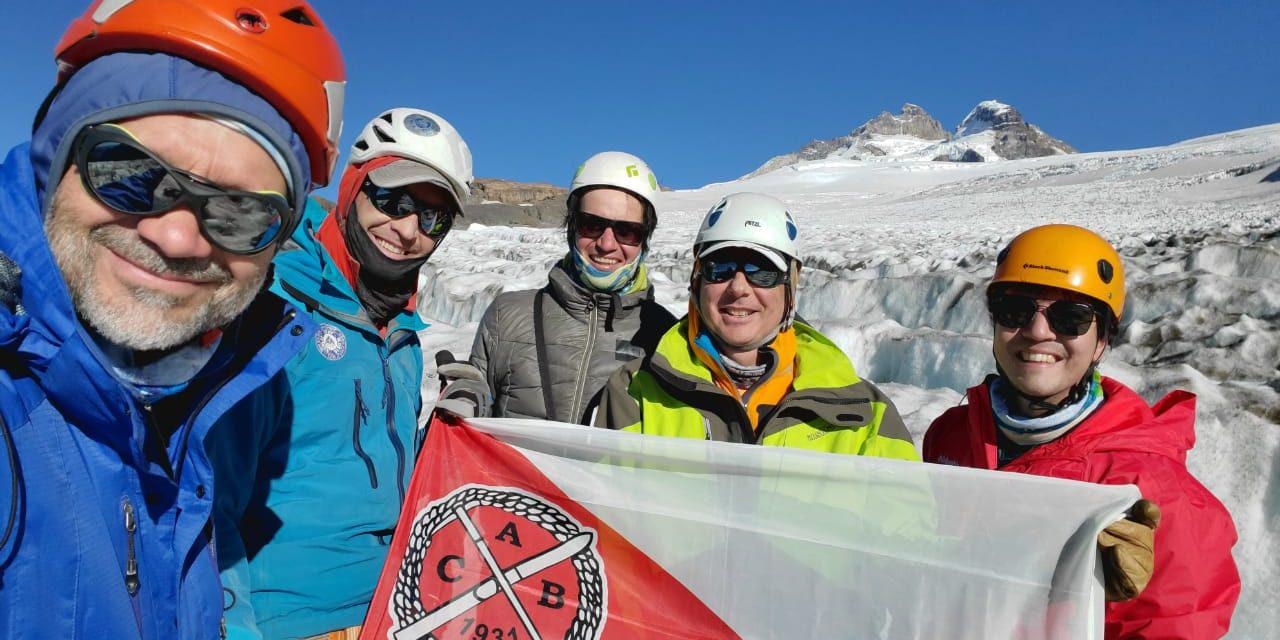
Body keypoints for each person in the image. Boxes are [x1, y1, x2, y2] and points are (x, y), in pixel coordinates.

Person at [0, 1, 345, 638]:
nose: (179, 237)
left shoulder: (190, 393)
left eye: (241, 213)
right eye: (129, 175)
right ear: (57, 164)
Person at [209, 108, 471, 640]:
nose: (407, 229)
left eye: (432, 218)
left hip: (395, 605)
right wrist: (231, 627)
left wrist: (447, 434)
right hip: (290, 616)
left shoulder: (401, 338)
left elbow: (361, 468)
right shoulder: (275, 309)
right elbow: (211, 499)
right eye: (393, 201)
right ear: (353, 187)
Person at [922, 224, 1240, 638]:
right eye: (1015, 310)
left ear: (1102, 341)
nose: (1038, 332)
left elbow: (1180, 626)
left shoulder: (1148, 484)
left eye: (1071, 318)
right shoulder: (950, 436)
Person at [593, 192, 917, 459]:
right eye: (720, 268)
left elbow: (907, 530)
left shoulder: (865, 415)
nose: (739, 288)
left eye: (762, 271)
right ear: (697, 281)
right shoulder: (635, 394)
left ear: (790, 287)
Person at [441, 151, 675, 424]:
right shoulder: (507, 315)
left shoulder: (665, 336)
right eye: (592, 224)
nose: (607, 244)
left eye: (627, 231)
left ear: (645, 238)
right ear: (572, 226)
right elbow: (482, 396)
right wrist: (468, 395)